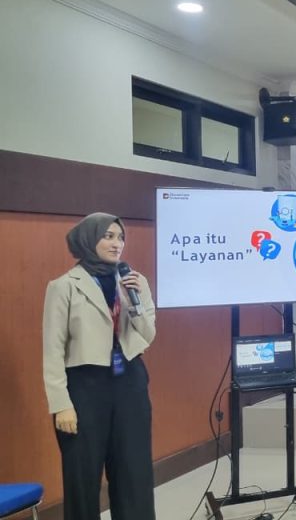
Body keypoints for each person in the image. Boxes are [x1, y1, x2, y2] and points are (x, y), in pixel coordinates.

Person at [42, 213, 157, 520]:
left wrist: (134, 303)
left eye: (120, 237)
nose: (117, 243)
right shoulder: (64, 286)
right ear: (88, 239)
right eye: (108, 236)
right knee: (82, 477)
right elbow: (52, 350)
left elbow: (148, 335)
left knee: (134, 472)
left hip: (130, 382)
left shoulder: (135, 282)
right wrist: (61, 404)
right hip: (84, 387)